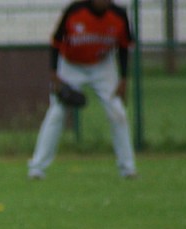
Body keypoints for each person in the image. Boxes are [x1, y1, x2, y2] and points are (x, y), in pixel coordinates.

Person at [27, 0, 137, 179]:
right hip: (71, 65)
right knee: (57, 112)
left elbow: (124, 47)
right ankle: (37, 168)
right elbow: (56, 42)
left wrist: (124, 79)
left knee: (118, 112)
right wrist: (54, 74)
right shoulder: (75, 11)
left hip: (103, 66)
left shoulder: (118, 15)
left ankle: (128, 169)